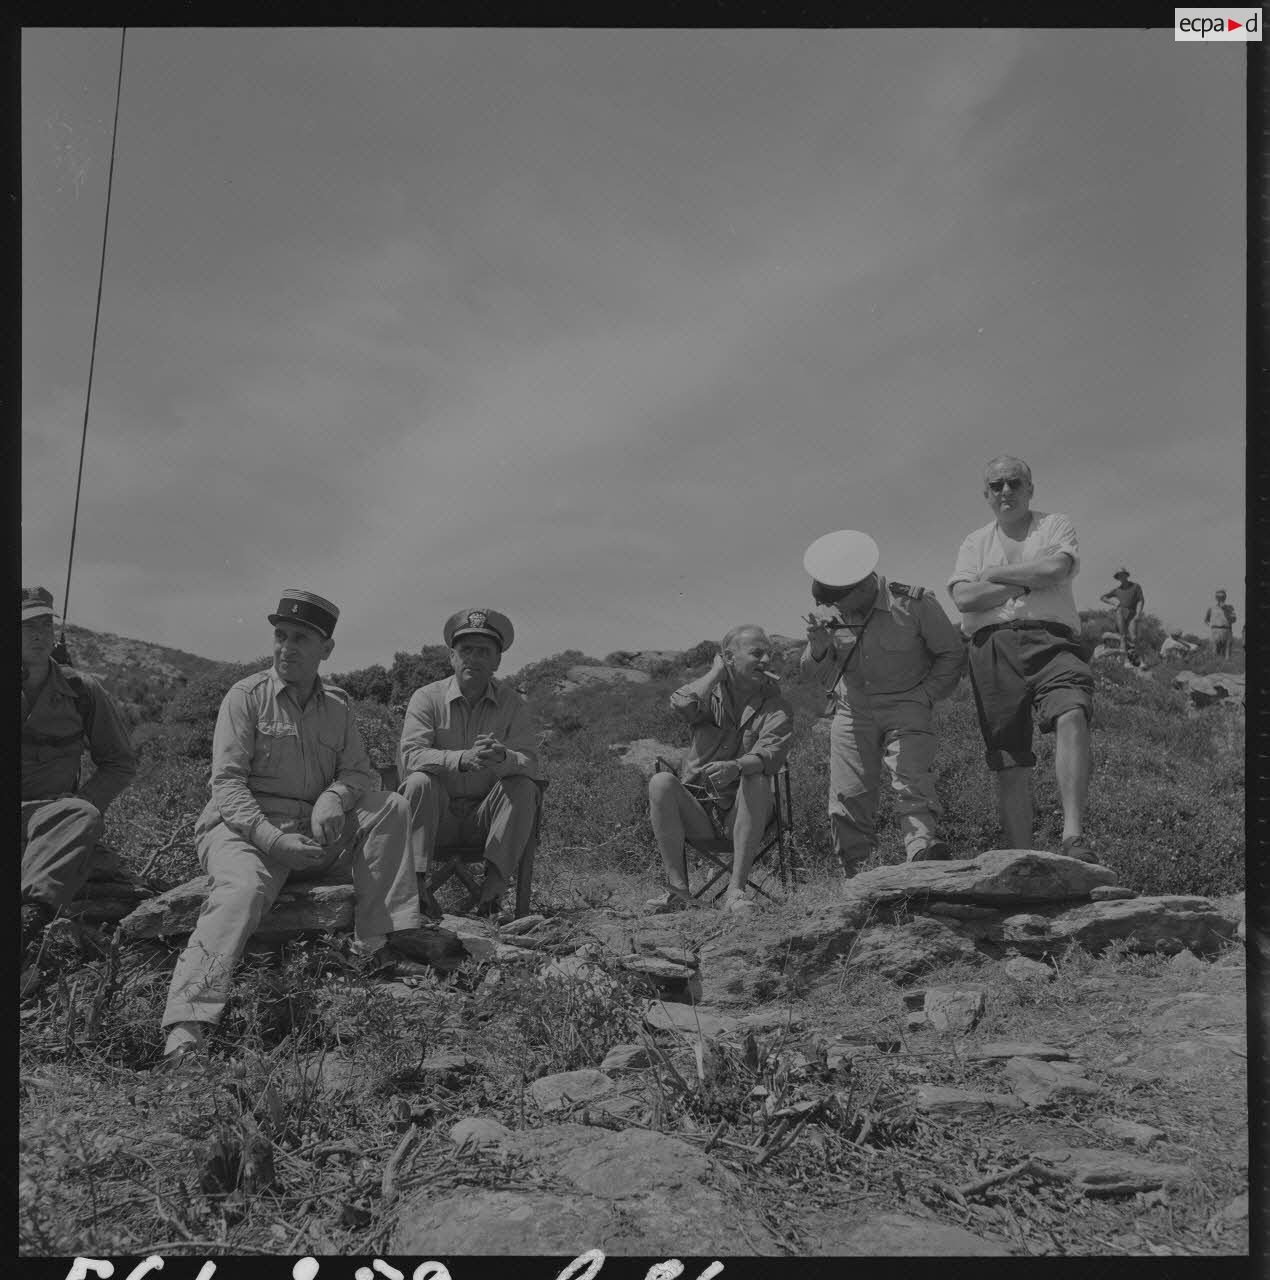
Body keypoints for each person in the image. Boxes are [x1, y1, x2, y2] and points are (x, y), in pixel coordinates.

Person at [161, 590, 421, 1065]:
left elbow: (360, 772)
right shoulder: (246, 697)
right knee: (240, 891)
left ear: (327, 649)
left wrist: (333, 797)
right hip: (244, 830)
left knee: (391, 806)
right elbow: (227, 785)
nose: (286, 647)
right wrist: (272, 838)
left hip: (312, 829)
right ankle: (187, 1024)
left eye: (301, 638)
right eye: (280, 635)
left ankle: (373, 946)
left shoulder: (338, 707)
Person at [948, 456, 1096, 862]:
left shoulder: (1054, 525)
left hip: (1053, 640)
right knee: (1009, 755)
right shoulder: (974, 541)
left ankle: (1073, 837)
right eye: (996, 485)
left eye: (1014, 482)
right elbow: (963, 598)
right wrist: (1026, 581)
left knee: (1073, 713)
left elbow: (1056, 568)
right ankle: (1021, 857)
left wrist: (993, 575)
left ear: (1030, 488)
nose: (1005, 491)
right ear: (986, 495)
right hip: (992, 648)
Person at [800, 531, 965, 876]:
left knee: (912, 781)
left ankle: (922, 856)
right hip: (852, 711)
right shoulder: (833, 621)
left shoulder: (913, 604)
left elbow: (951, 654)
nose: (835, 609)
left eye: (839, 600)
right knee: (847, 797)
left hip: (907, 704)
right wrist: (818, 650)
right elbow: (816, 672)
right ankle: (857, 876)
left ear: (860, 586)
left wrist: (926, 695)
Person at [398, 609, 541, 919]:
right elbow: (410, 756)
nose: (473, 658)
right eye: (466, 650)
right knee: (418, 781)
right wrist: (461, 759)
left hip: (487, 824)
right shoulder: (426, 698)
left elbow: (530, 763)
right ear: (452, 656)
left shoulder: (513, 705)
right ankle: (416, 890)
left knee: (523, 785)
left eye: (484, 651)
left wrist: (504, 758)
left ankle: (492, 894)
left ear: (497, 661)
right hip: (437, 823)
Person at [21, 585, 138, 954]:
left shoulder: (82, 689)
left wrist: (79, 801)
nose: (39, 634)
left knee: (81, 814)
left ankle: (29, 918)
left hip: (53, 818)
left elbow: (119, 763)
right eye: (27, 626)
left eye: (45, 623)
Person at [648, 625, 793, 911]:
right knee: (661, 782)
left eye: (769, 654)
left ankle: (735, 893)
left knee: (755, 777)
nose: (766, 661)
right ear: (728, 657)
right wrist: (715, 674)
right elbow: (680, 704)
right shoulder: (709, 696)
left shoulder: (777, 707)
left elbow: (770, 756)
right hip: (700, 809)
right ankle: (679, 893)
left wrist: (737, 767)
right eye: (757, 653)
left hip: (746, 811)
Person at [1099, 568, 1145, 664]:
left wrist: (1138, 613)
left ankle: (1141, 660)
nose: (1121, 577)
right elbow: (1103, 597)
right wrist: (1114, 603)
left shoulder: (1136, 586)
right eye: (1119, 576)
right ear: (1118, 578)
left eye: (1123, 575)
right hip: (1121, 612)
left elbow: (1141, 600)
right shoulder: (1117, 590)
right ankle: (1124, 661)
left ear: (1126, 575)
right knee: (1122, 637)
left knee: (1134, 637)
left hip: (1132, 613)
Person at [1204, 589, 1237, 659]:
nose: (1220, 598)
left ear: (1225, 597)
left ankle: (1226, 667)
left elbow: (1234, 620)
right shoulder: (1211, 608)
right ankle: (1214, 665)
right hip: (1215, 630)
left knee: (1226, 652)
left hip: (1226, 630)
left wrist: (1227, 611)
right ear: (1216, 598)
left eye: (1222, 597)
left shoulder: (1230, 607)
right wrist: (1212, 628)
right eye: (1219, 597)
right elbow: (1206, 620)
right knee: (1214, 650)